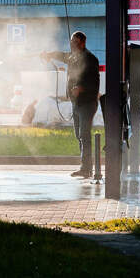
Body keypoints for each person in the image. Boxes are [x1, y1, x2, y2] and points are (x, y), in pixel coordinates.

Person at [41, 31, 100, 178]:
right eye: (71, 42)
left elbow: (95, 83)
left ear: (82, 42)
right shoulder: (73, 57)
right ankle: (85, 167)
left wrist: (82, 88)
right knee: (78, 135)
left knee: (84, 135)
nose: (72, 45)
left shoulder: (90, 59)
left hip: (87, 103)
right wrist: (49, 54)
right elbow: (61, 55)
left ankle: (86, 168)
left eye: (75, 42)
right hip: (76, 103)